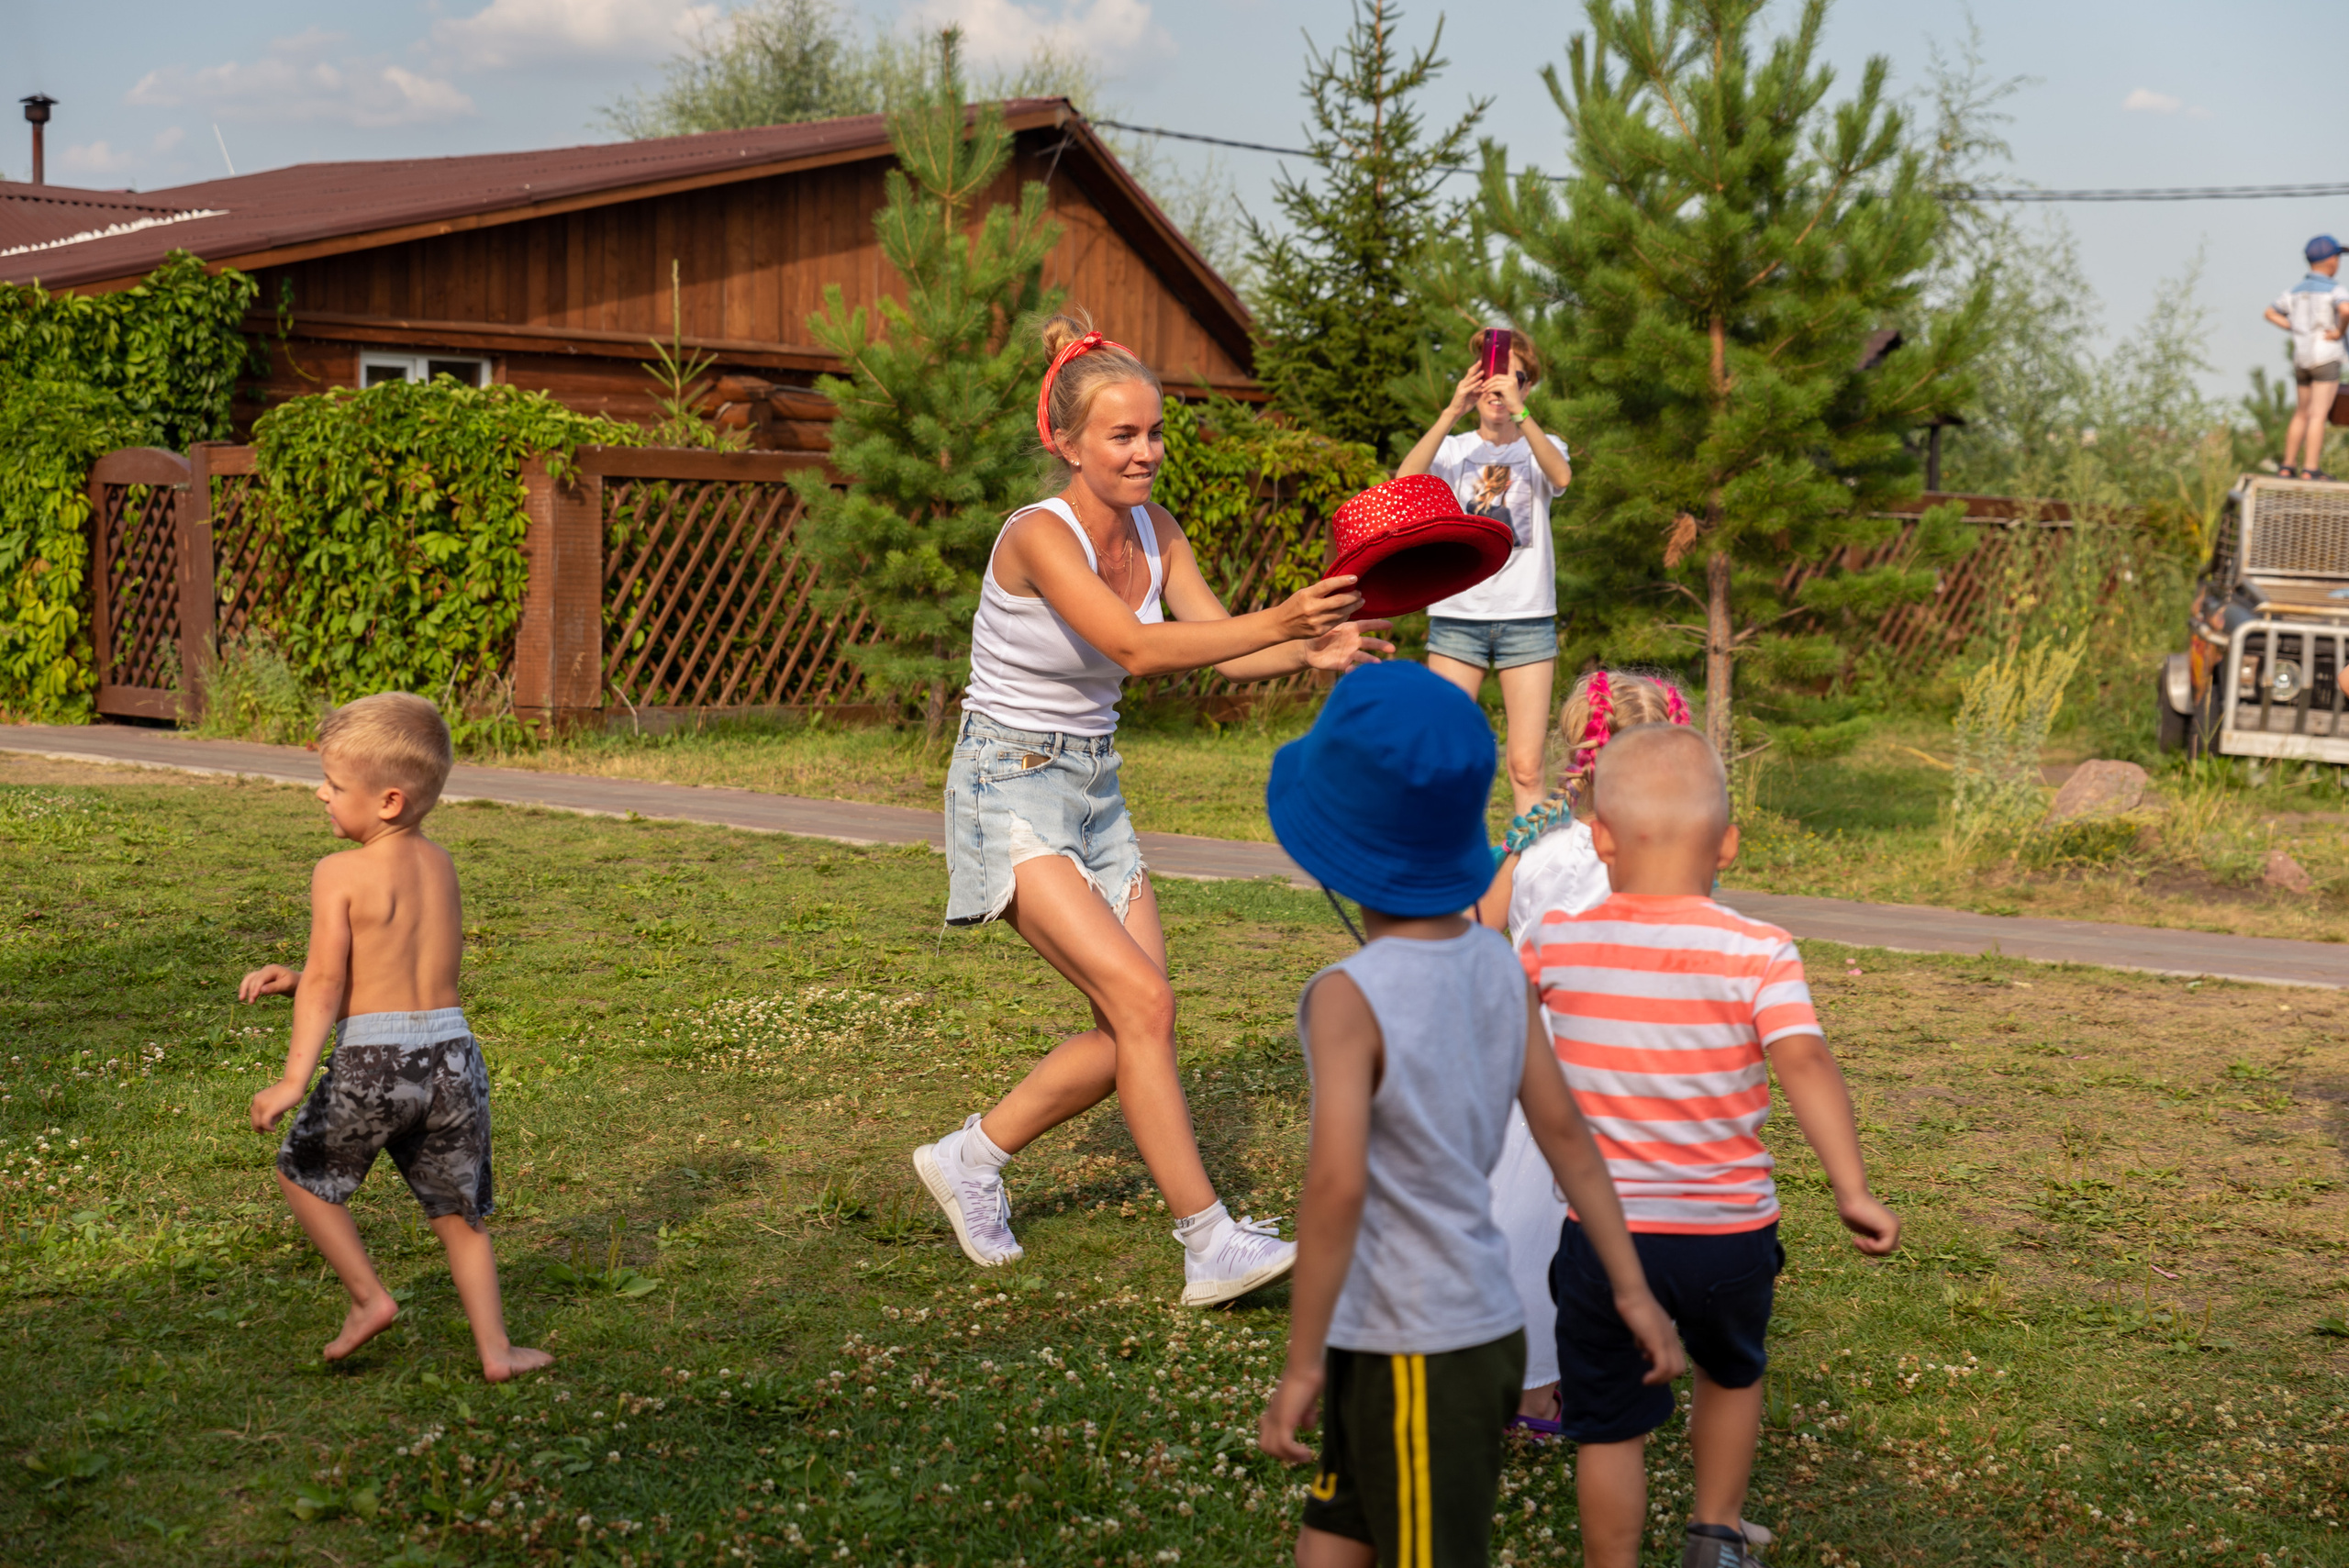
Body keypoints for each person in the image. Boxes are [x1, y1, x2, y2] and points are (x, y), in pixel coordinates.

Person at [914, 310, 1392, 1307]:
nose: (1145, 453)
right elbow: (1133, 648)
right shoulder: (1037, 536)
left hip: (1094, 786)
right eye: (1122, 435)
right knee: (1144, 1004)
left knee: (1134, 1025)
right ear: (1067, 442)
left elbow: (1222, 647)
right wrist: (1282, 615)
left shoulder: (1156, 528)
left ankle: (969, 1156)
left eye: (1155, 433)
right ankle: (1207, 1239)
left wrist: (1309, 649)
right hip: (1007, 785)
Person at [1255, 661, 1684, 1568]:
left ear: (1334, 849)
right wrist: (1631, 1287)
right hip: (1463, 1329)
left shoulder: (1343, 996)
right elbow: (1569, 1140)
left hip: (1413, 1343)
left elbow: (1335, 1187)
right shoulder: (1499, 967)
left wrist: (1303, 1358)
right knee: (1341, 1517)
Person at [1521, 723, 1900, 1568]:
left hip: (1604, 1236)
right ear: (1727, 842)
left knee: (1609, 1421)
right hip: (1727, 1232)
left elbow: (1489, 1018)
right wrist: (1852, 1188)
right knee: (1730, 1372)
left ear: (1601, 837)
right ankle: (1714, 1536)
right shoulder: (1759, 950)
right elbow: (1804, 1059)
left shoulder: (1554, 940)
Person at [239, 694, 550, 1383]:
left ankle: (368, 1297)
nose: (321, 793)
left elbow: (331, 982)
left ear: (387, 801)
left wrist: (293, 1080)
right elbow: (399, 979)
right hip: (454, 1059)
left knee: (305, 1177)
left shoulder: (337, 871)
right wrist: (296, 979)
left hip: (373, 1065)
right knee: (459, 1214)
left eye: (333, 783)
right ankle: (497, 1351)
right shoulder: (441, 866)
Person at [1470, 668, 1694, 1437]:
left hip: (1531, 1054)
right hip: (1621, 1066)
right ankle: (1540, 1384)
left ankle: (1522, 1371)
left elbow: (1481, 928)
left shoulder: (1536, 844)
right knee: (1573, 1220)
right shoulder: (1661, 857)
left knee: (1522, 1209)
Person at [1396, 328, 1574, 816]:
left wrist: (1520, 413)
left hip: (1527, 619)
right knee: (1446, 757)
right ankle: (1448, 859)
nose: (1499, 389)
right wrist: (1451, 411)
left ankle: (1529, 861)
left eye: (1515, 379)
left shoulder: (1543, 446)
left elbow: (1561, 476)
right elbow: (1405, 481)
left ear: (1528, 387)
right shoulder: (1453, 451)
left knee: (1527, 768)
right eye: (1489, 377)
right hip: (1458, 616)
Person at [2262, 234, 2349, 478]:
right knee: (2318, 415)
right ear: (2332, 260)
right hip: (2326, 357)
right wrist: (2339, 332)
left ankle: (2287, 466)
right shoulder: (2334, 289)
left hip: (2302, 358)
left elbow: (2270, 313)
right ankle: (2310, 468)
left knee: (2301, 412)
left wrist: (2296, 328)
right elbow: (2345, 310)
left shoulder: (2295, 291)